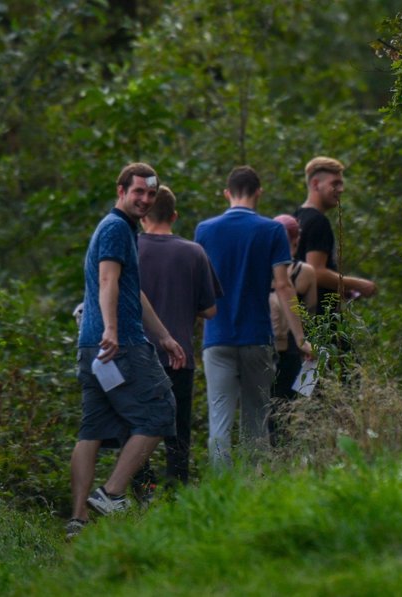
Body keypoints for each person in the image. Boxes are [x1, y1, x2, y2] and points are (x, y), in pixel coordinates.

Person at [67, 163, 186, 538]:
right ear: (121, 190)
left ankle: (78, 519)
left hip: (91, 344)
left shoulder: (117, 229)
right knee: (161, 411)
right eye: (138, 192)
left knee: (92, 429)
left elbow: (132, 291)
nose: (146, 200)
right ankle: (112, 493)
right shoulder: (118, 228)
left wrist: (164, 336)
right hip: (118, 344)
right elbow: (108, 279)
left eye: (151, 194)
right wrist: (114, 330)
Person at [195, 166, 312, 469]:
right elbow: (284, 286)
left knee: (219, 420)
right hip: (257, 335)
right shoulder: (271, 230)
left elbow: (201, 286)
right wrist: (300, 338)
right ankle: (253, 489)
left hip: (217, 336)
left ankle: (222, 493)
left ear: (227, 193)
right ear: (259, 192)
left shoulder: (204, 230)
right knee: (256, 418)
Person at [138, 185, 221, 484]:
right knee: (177, 431)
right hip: (179, 357)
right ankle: (176, 490)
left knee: (137, 426)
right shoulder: (194, 252)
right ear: (175, 215)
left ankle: (139, 490)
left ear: (143, 213)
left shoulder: (130, 248)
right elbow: (210, 310)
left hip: (137, 354)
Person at [293, 157, 376, 377]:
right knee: (347, 382)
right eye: (335, 184)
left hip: (299, 320)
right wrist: (359, 284)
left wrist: (340, 288)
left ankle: (304, 411)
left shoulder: (296, 218)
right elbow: (317, 272)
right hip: (322, 322)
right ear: (315, 184)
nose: (341, 189)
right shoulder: (318, 222)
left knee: (308, 388)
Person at [268, 214, 316, 444]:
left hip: (264, 346)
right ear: (296, 240)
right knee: (298, 407)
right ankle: (295, 455)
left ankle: (269, 458)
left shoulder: (259, 270)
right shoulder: (304, 272)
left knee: (268, 409)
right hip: (298, 348)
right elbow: (312, 311)